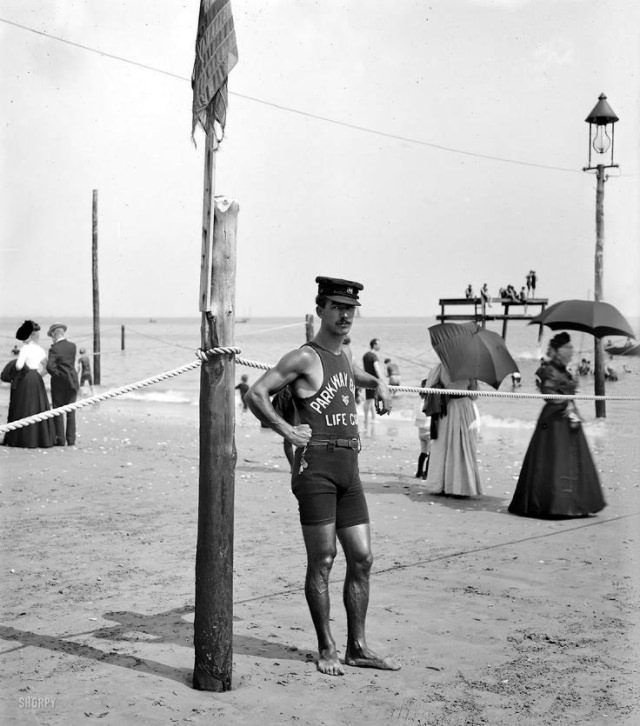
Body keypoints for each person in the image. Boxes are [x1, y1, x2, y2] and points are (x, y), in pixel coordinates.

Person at [245, 276, 399, 677]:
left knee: (362, 558)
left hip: (350, 469)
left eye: (350, 308)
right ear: (321, 310)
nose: (346, 314)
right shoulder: (304, 356)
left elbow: (350, 379)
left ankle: (358, 646)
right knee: (324, 560)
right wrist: (287, 431)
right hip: (316, 469)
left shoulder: (342, 356)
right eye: (337, 306)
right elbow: (255, 394)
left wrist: (379, 383)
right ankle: (327, 648)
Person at [508, 332, 605, 519]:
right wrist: (566, 402)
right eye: (567, 349)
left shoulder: (564, 370)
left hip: (569, 418)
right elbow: (548, 394)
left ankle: (574, 503)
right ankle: (553, 504)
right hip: (554, 421)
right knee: (553, 460)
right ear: (558, 351)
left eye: (571, 349)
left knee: (573, 461)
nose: (571, 352)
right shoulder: (549, 369)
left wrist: (573, 406)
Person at [422, 363, 482, 497]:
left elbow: (428, 389)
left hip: (446, 409)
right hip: (464, 408)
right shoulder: (470, 369)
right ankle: (460, 487)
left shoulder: (440, 367)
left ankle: (440, 485)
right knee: (462, 446)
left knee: (443, 445)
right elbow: (474, 395)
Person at [3, 320, 56, 448]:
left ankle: (22, 439)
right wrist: (39, 374)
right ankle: (40, 439)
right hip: (37, 379)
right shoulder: (41, 349)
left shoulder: (25, 349)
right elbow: (46, 367)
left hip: (25, 379)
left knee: (23, 407)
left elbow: (19, 365)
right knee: (38, 407)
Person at [46, 322, 79, 447]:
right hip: (72, 381)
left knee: (58, 411)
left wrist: (58, 375)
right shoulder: (73, 346)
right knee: (71, 412)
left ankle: (60, 439)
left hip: (59, 384)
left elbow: (50, 366)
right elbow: (69, 364)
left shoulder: (54, 349)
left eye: (52, 336)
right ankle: (71, 440)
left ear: (54, 334)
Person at [362, 338, 383, 433]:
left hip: (367, 379)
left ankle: (372, 418)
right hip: (373, 381)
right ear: (374, 345)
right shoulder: (374, 356)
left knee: (370, 400)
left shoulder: (365, 355)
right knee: (369, 401)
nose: (380, 346)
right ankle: (367, 419)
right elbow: (377, 369)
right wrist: (381, 380)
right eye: (378, 344)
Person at [414, 378, 431, 479]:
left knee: (423, 452)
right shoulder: (429, 402)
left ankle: (419, 472)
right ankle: (426, 473)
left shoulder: (419, 401)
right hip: (429, 430)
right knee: (431, 453)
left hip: (421, 431)